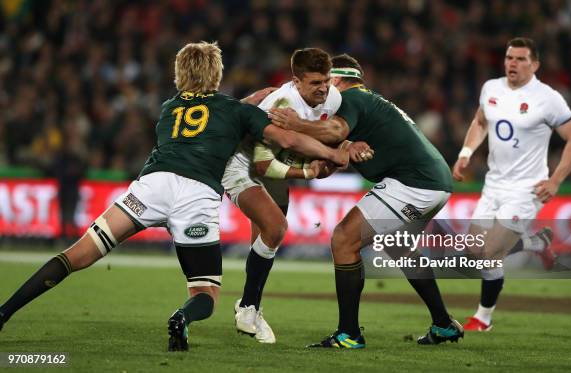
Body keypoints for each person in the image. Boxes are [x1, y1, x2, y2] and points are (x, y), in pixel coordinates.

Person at [0, 41, 349, 352]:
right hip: (195, 196)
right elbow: (286, 140)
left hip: (152, 186)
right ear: (217, 72)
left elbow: (209, 115)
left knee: (76, 255)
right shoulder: (235, 110)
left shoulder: (169, 108)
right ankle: (181, 318)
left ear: (180, 73)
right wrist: (332, 155)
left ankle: (4, 312)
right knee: (205, 295)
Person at [269, 54, 463, 348]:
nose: (322, 91)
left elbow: (335, 131)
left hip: (413, 183)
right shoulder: (367, 102)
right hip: (433, 182)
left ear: (337, 80)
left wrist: (296, 124)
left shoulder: (352, 99)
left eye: (326, 82)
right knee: (400, 247)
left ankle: (349, 334)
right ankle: (444, 324)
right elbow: (333, 150)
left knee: (344, 239)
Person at [223, 47, 370, 343]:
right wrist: (309, 171)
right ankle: (249, 306)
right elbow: (264, 163)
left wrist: (347, 145)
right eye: (315, 82)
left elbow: (325, 134)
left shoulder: (334, 98)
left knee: (269, 238)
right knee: (275, 227)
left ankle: (250, 304)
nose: (323, 88)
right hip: (243, 163)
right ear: (296, 81)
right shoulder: (281, 103)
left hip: (279, 161)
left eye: (326, 80)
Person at [452, 37, 571, 331]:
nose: (513, 63)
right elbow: (481, 122)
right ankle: (535, 242)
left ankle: (483, 318)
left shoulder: (548, 98)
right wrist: (466, 153)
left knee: (491, 252)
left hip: (527, 188)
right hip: (493, 184)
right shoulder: (491, 88)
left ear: (535, 65)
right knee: (474, 254)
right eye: (510, 57)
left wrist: (556, 179)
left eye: (521, 59)